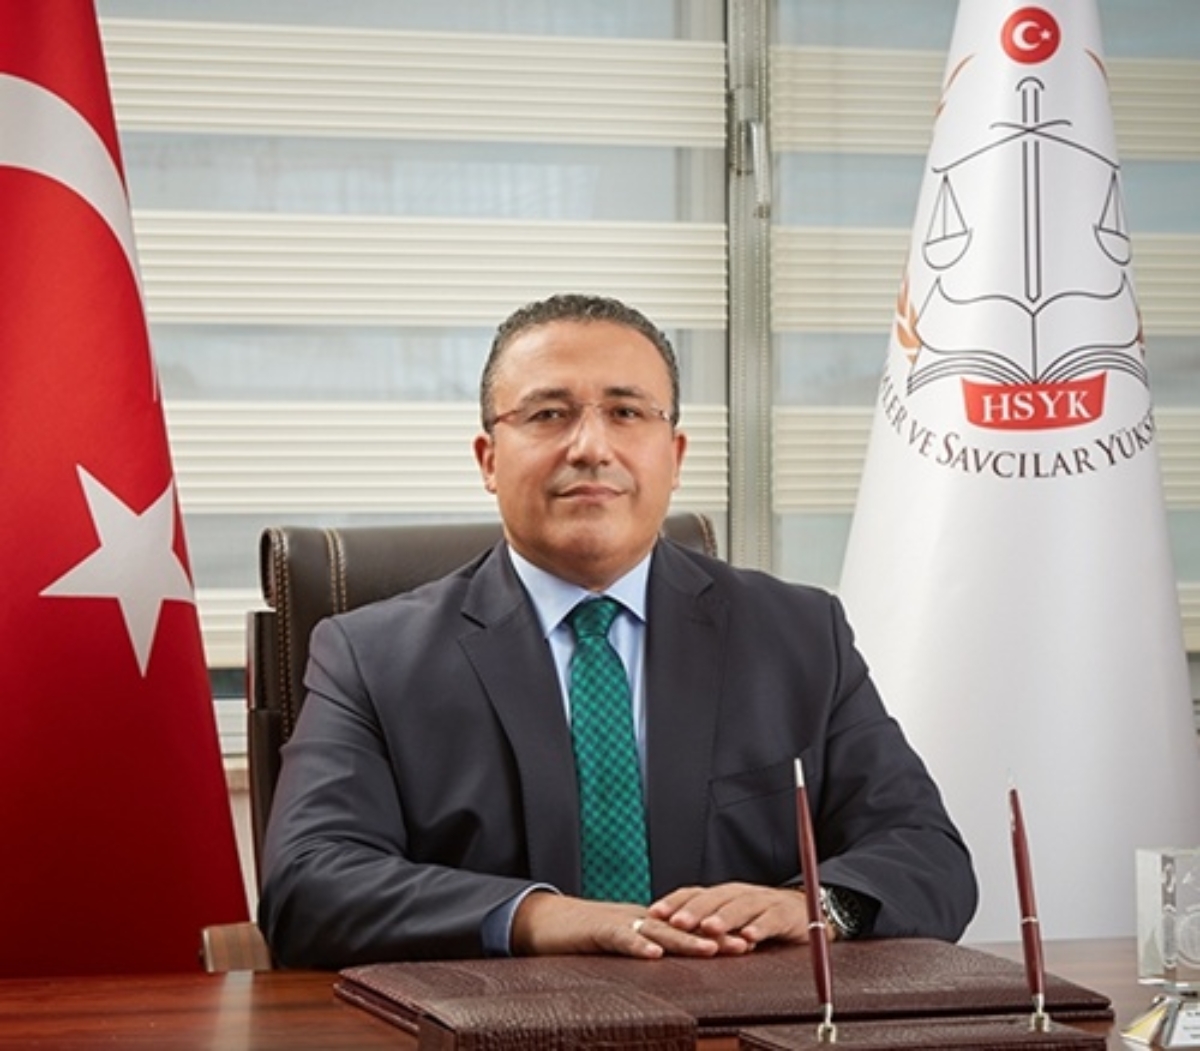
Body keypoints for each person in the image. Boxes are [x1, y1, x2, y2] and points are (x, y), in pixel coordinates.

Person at [258, 293, 977, 968]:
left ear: (676, 456)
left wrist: (811, 906)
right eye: (548, 414)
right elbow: (308, 883)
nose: (590, 447)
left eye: (627, 412)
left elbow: (926, 853)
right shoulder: (372, 656)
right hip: (502, 1026)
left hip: (741, 1019)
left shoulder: (798, 635)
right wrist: (540, 917)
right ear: (488, 460)